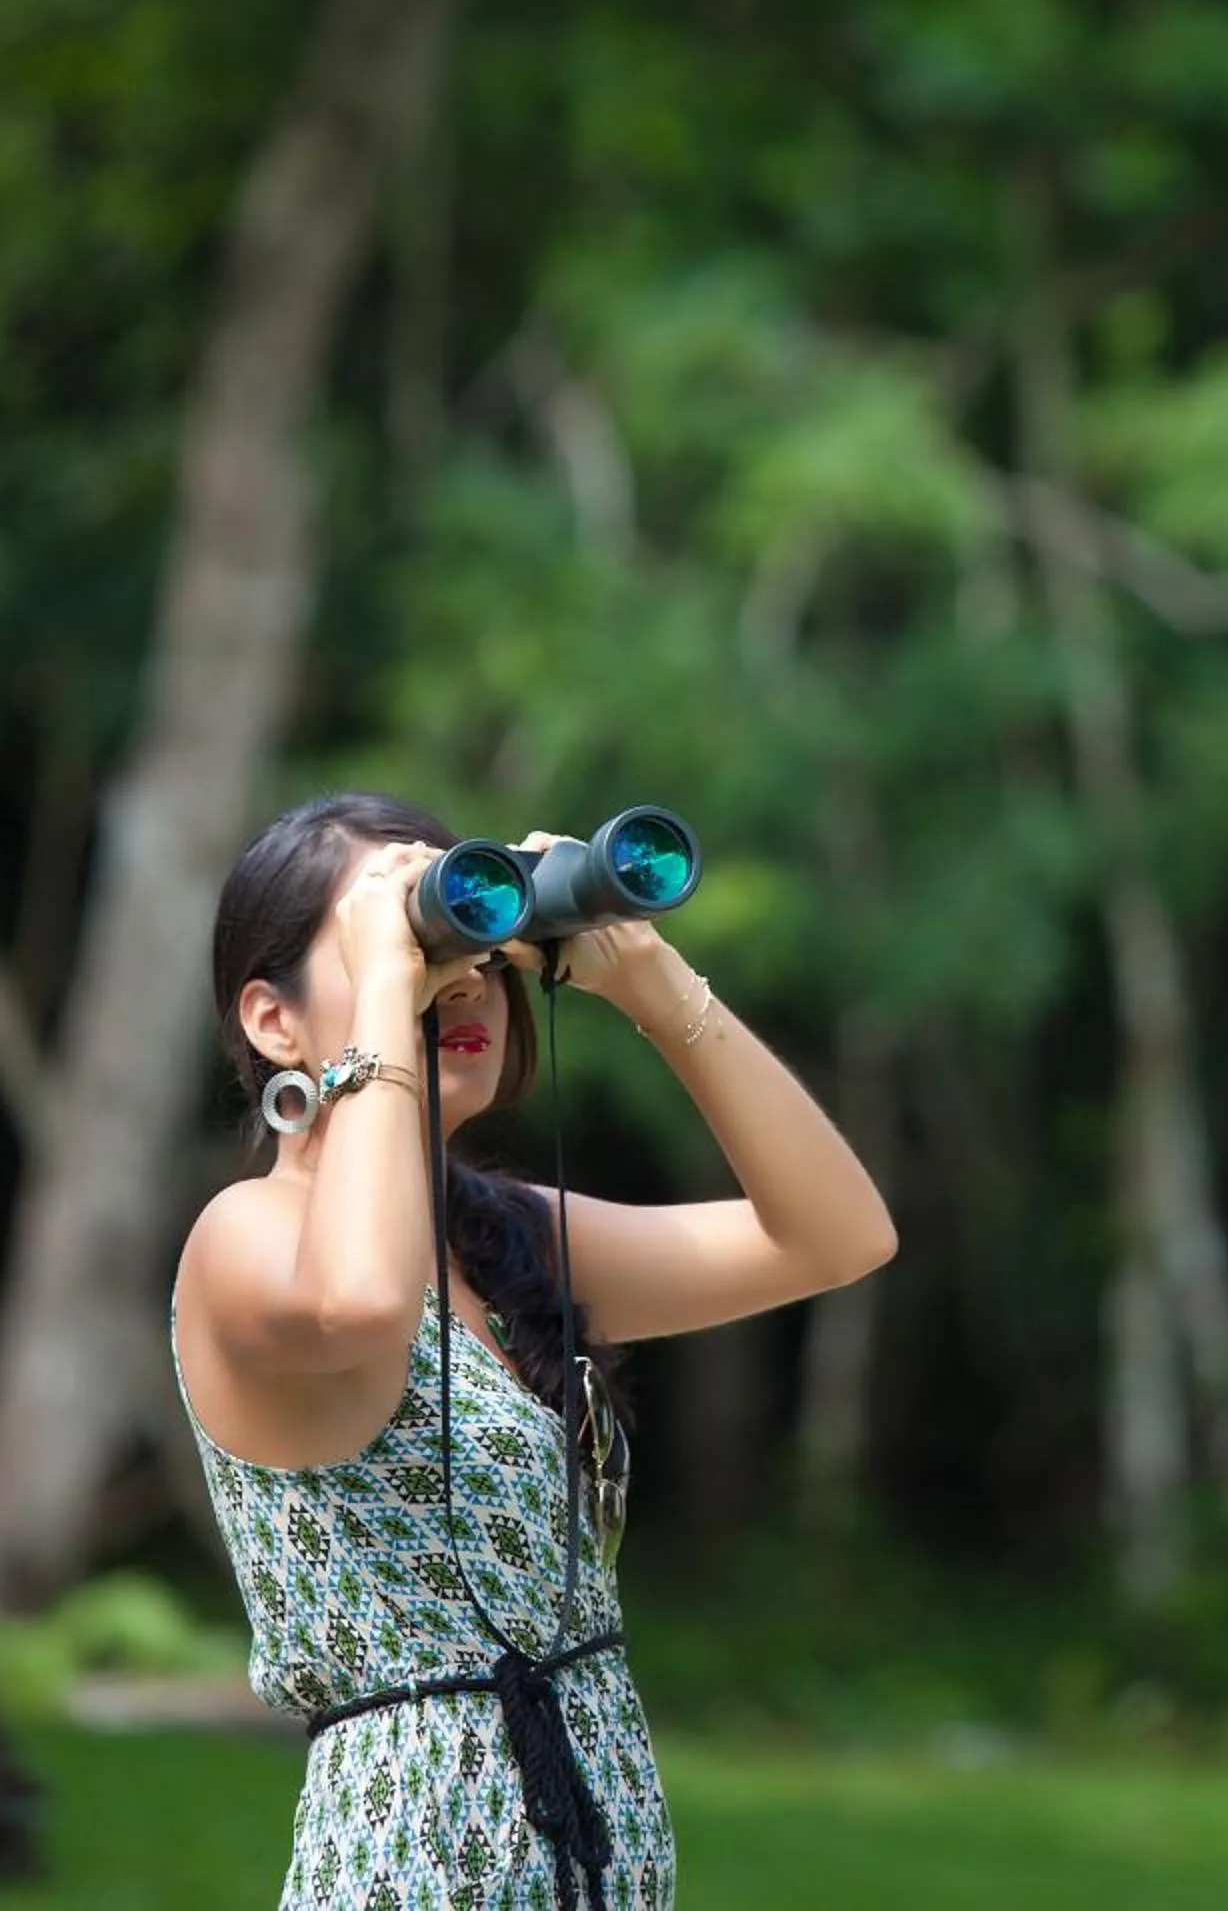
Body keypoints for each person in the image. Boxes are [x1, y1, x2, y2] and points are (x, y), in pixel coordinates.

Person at [170, 789, 898, 1911]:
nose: (460, 980)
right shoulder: (245, 1240)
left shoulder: (505, 1236)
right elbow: (363, 1301)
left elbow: (836, 1236)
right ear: (274, 1021)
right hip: (409, 1867)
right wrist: (383, 982)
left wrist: (648, 980)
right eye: (413, 946)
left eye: (475, 950)